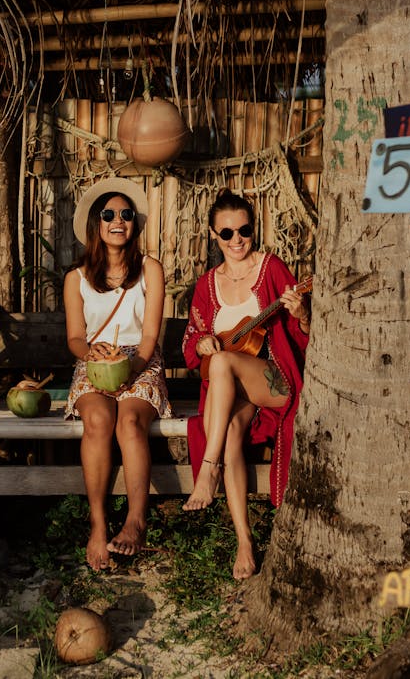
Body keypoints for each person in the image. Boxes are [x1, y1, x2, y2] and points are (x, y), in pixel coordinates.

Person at [182, 187, 311, 580]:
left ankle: (207, 470)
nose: (237, 240)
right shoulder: (206, 286)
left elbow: (303, 333)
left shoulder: (271, 268)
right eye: (227, 233)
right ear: (212, 234)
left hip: (274, 380)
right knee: (233, 428)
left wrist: (302, 311)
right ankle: (244, 543)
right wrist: (202, 342)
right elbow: (191, 344)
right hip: (231, 393)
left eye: (244, 230)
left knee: (222, 361)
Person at [64, 177, 171, 572]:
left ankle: (136, 520)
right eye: (109, 214)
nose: (118, 220)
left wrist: (132, 369)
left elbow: (149, 336)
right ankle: (97, 525)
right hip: (95, 359)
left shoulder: (149, 270)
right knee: (97, 419)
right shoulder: (76, 278)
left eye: (126, 214)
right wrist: (92, 354)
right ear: (96, 223)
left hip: (141, 360)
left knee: (128, 421)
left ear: (134, 225)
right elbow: (75, 337)